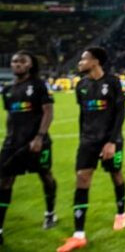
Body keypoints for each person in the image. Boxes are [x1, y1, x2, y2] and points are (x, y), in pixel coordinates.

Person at [57, 47, 125, 252]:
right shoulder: (81, 85)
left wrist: (112, 142)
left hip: (111, 140)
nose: (80, 63)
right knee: (82, 178)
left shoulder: (113, 82)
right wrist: (82, 139)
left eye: (83, 59)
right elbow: (83, 115)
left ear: (95, 61)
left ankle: (121, 213)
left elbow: (120, 113)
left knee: (116, 175)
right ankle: (79, 235)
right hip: (88, 141)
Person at [0, 51, 57, 245]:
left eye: (22, 61)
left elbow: (48, 112)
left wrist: (40, 137)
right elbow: (10, 116)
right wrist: (8, 138)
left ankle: (50, 213)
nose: (17, 64)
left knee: (45, 175)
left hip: (36, 142)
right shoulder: (7, 90)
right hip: (13, 143)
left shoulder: (38, 86)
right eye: (15, 61)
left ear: (30, 65)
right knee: (4, 181)